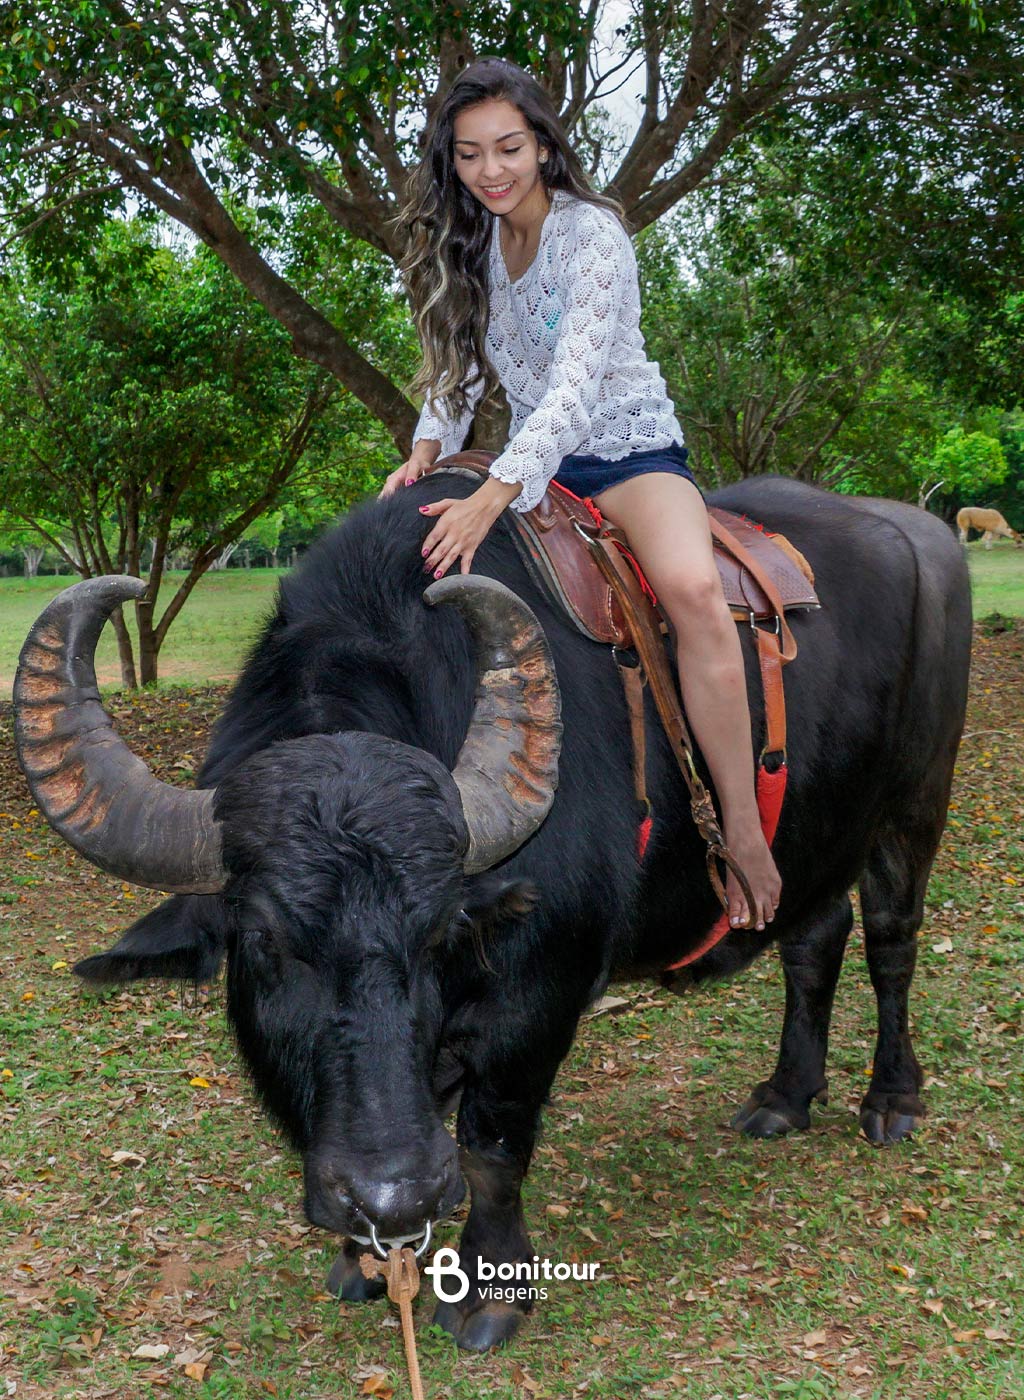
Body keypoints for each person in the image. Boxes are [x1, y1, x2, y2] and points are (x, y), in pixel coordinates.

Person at [380, 58, 780, 932]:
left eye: (510, 148)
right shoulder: (473, 245)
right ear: (450, 162)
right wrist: (423, 453)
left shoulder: (592, 234)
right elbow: (454, 377)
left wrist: (495, 490)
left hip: (624, 454)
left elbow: (574, 388)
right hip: (537, 463)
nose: (491, 170)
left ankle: (744, 831)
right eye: (471, 154)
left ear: (544, 145)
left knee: (694, 593)